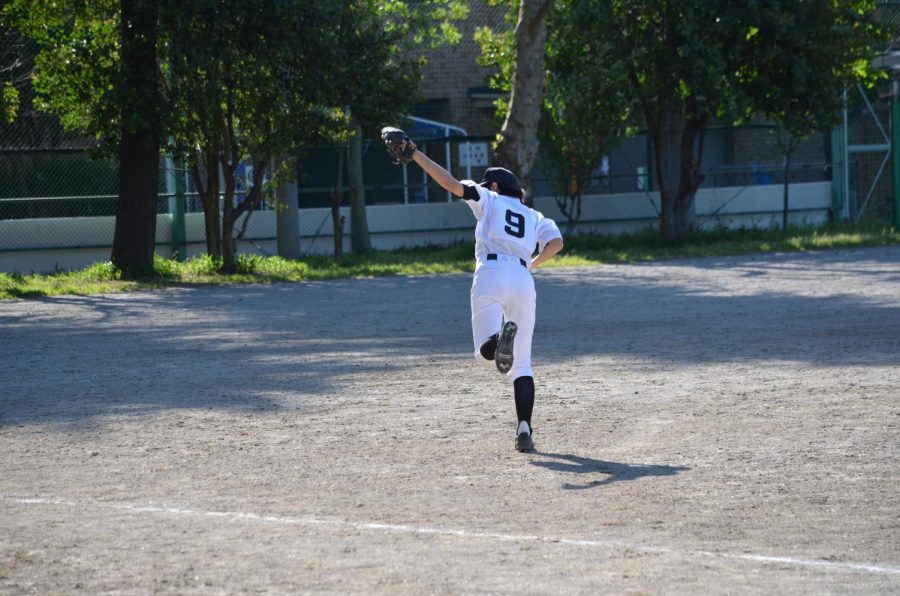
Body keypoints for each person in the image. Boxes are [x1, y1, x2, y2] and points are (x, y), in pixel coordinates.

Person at [382, 128, 564, 453]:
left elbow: (452, 184)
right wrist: (531, 265)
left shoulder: (489, 198)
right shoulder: (534, 214)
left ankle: (496, 340)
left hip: (491, 272)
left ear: (494, 186)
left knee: (485, 356)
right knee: (521, 364)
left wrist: (414, 153)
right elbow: (557, 243)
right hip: (523, 279)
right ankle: (524, 428)